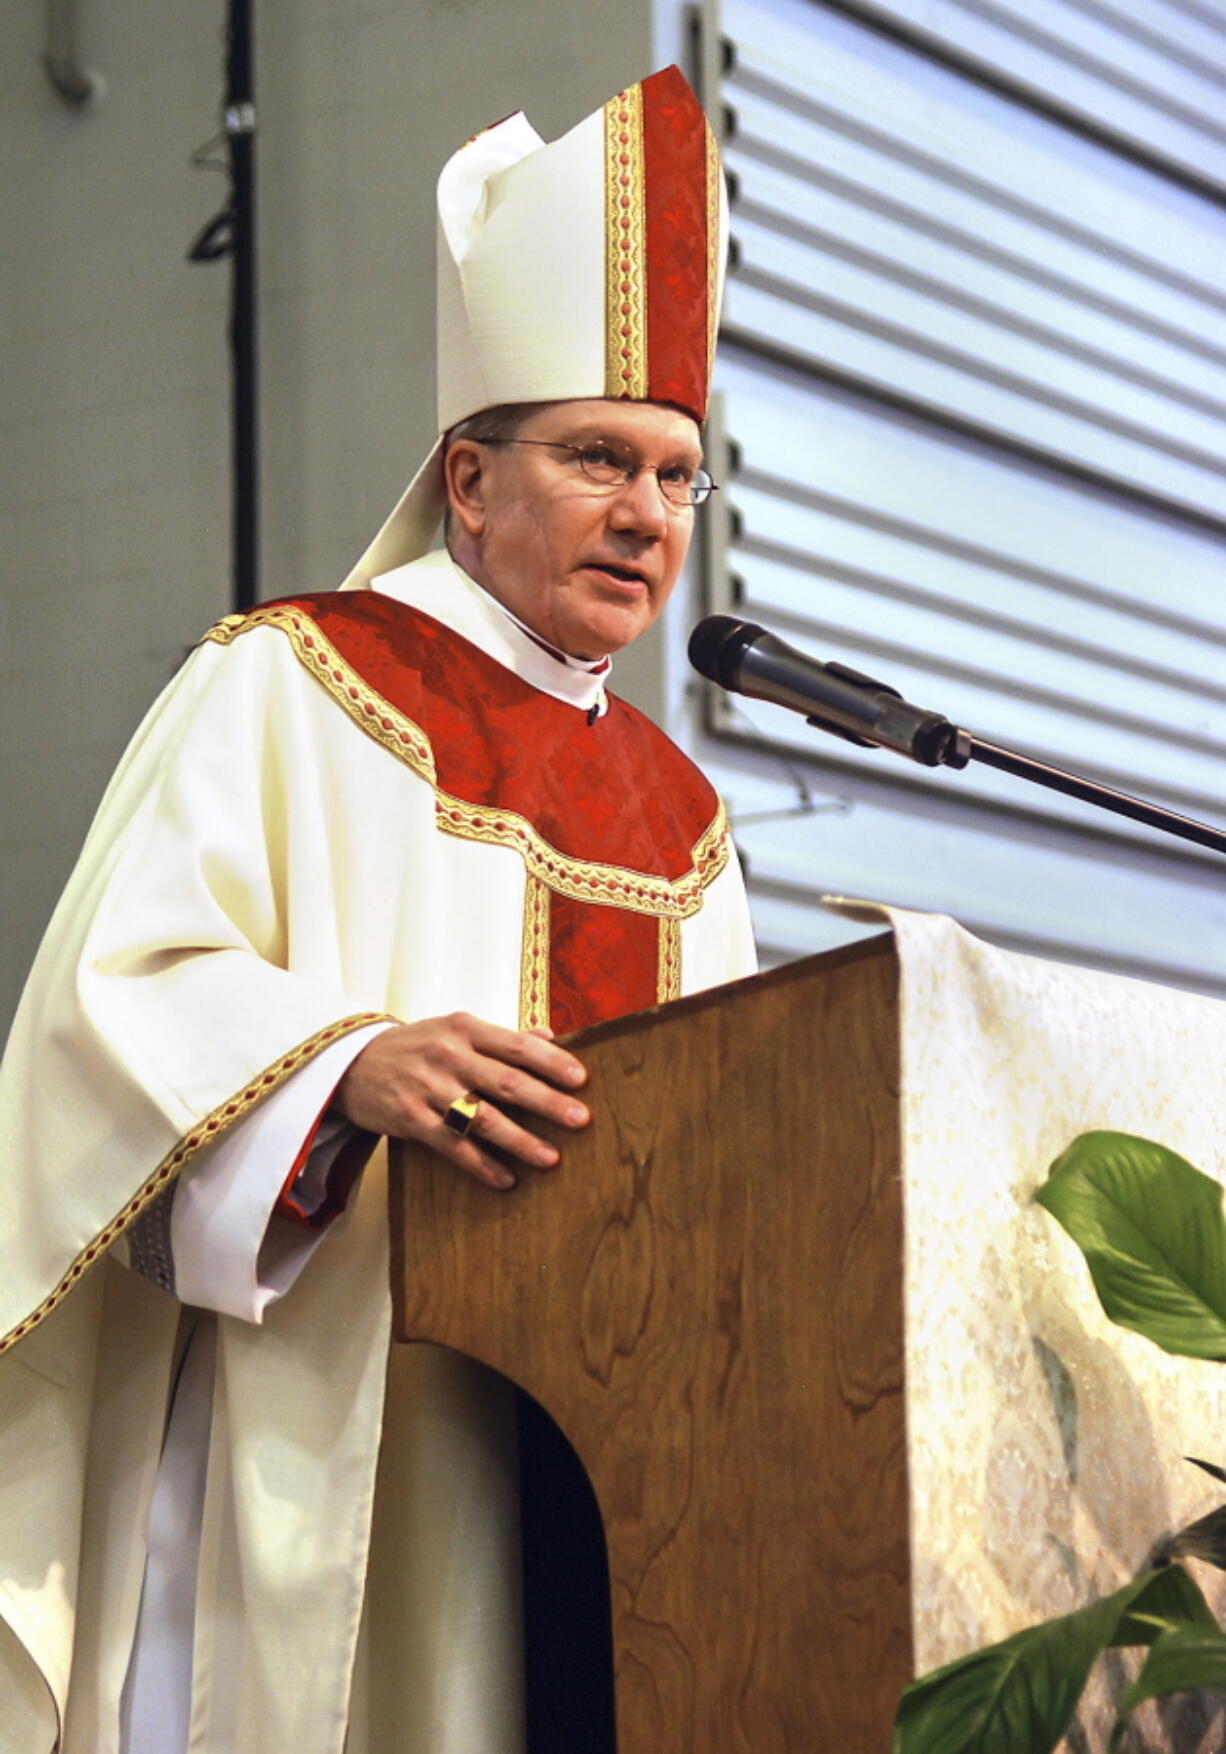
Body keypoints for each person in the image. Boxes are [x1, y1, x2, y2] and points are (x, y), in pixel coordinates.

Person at [0, 65, 756, 1753]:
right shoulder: (290, 684)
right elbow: (108, 1005)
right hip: (334, 1424)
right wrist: (339, 1068)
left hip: (610, 1480)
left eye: (675, 477)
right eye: (595, 459)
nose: (645, 517)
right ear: (468, 481)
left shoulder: (684, 817)